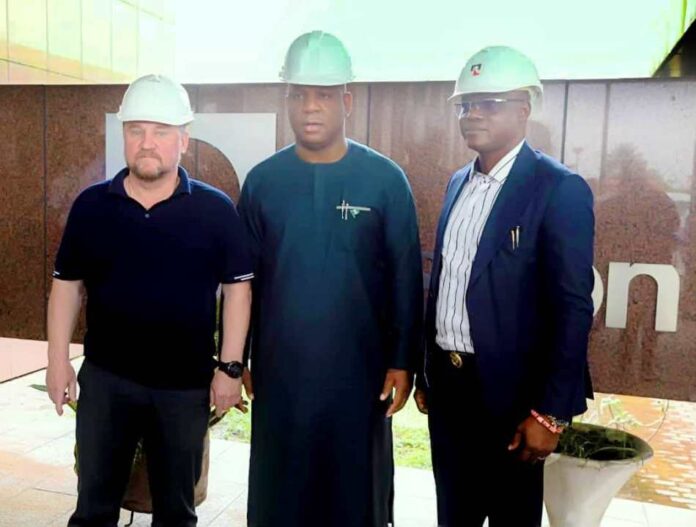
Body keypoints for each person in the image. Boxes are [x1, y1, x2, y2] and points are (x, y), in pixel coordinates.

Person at [45, 74, 253, 527]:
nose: (147, 143)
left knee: (176, 512)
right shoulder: (92, 207)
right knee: (93, 508)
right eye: (136, 130)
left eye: (161, 132)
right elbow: (66, 286)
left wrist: (230, 368)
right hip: (106, 381)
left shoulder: (215, 211)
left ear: (183, 139)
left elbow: (238, 290)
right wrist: (57, 360)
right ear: (123, 134)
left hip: (183, 387)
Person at [238, 31, 423, 527]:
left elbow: (406, 277)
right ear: (287, 100)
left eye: (323, 95)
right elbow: (243, 282)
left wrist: (403, 360)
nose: (310, 108)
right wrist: (239, 356)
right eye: (299, 95)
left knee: (355, 497)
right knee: (281, 493)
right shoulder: (262, 181)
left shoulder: (385, 180)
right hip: (280, 374)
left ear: (347, 99)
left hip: (359, 376)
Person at [414, 46, 595, 527]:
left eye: (488, 103)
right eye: (465, 104)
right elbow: (449, 284)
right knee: (453, 514)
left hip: (515, 401)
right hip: (451, 391)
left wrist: (551, 414)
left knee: (512, 517)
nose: (472, 114)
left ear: (524, 109)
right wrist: (429, 371)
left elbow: (573, 307)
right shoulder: (458, 183)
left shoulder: (558, 189)